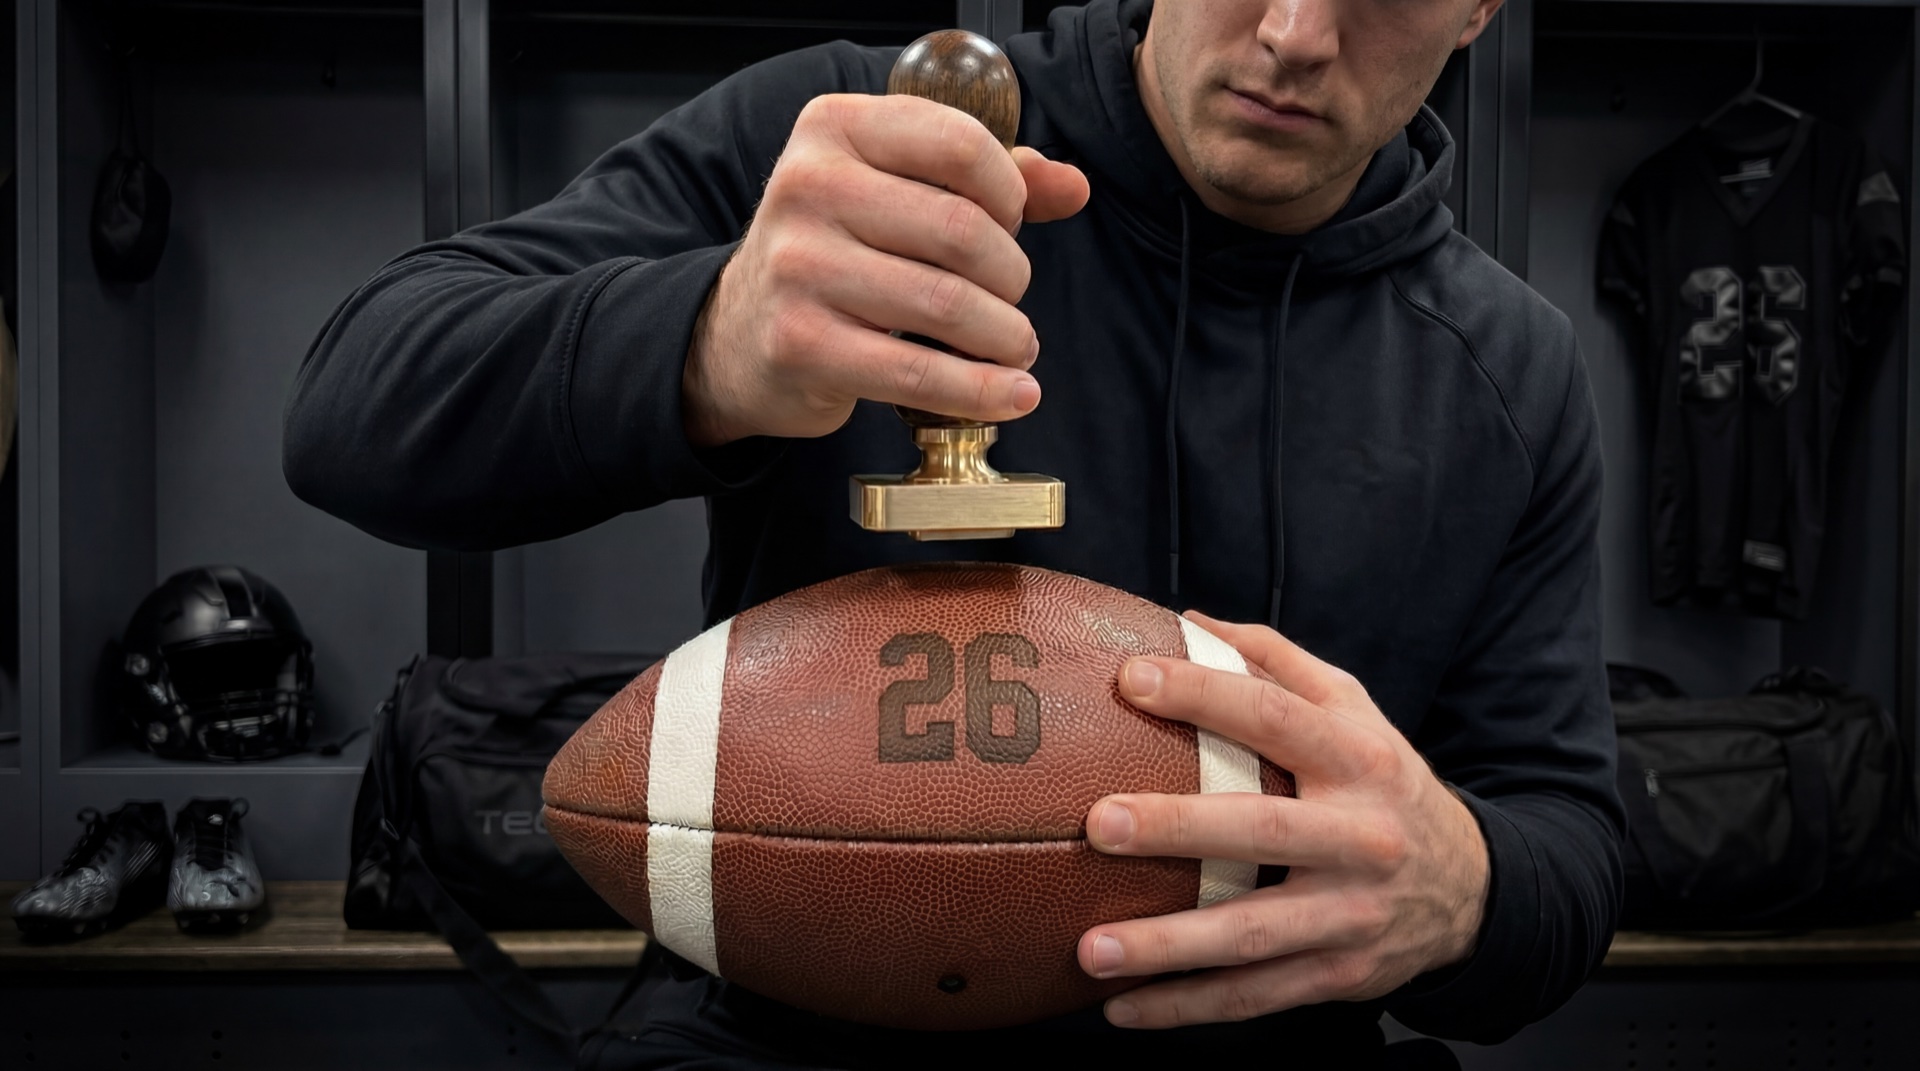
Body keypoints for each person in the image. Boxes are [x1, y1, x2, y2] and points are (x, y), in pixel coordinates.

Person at [284, 0, 1622, 1065]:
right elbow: (351, 410)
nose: (1293, 31)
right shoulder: (871, 151)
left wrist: (1467, 884)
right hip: (782, 1040)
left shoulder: (1507, 368)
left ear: (1480, 9)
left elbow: (1568, 841)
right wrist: (703, 339)